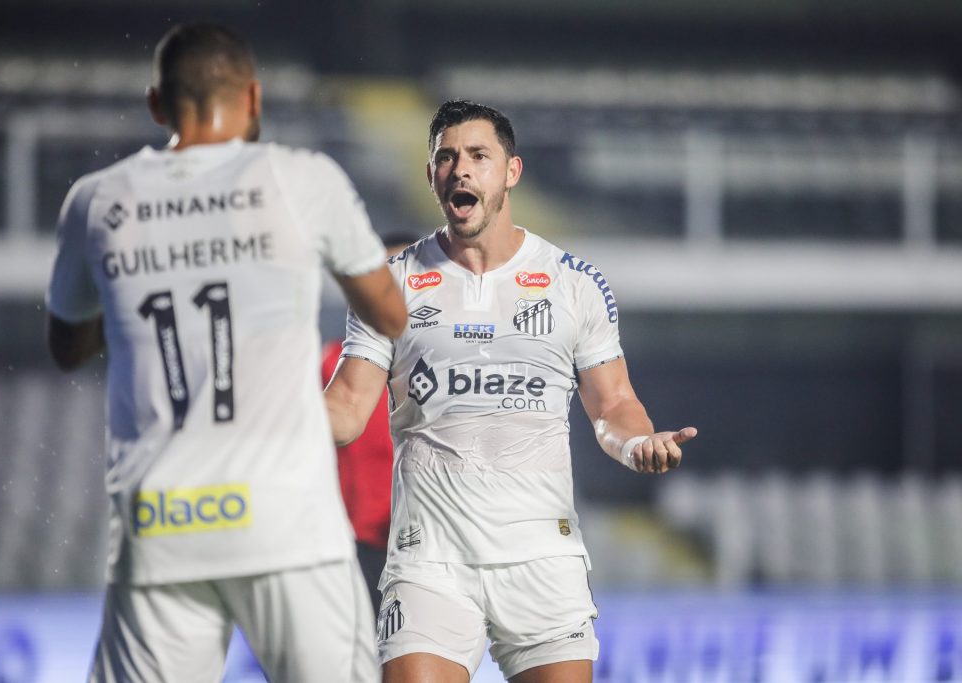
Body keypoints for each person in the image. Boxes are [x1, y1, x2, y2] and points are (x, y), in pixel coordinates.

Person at [45, 22, 406, 683]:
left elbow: (67, 346)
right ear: (255, 98)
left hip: (161, 521)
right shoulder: (302, 180)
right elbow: (389, 311)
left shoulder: (97, 201)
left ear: (157, 104)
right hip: (286, 518)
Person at [323, 99, 697, 683]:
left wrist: (638, 443)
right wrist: (261, 414)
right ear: (430, 177)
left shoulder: (572, 283)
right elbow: (345, 409)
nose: (460, 169)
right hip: (431, 559)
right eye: (446, 158)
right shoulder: (390, 285)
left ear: (511, 172)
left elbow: (614, 404)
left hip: (542, 560)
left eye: (478, 155)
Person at [321, 233, 418, 619]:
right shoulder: (331, 366)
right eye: (381, 278)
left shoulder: (457, 367)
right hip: (348, 548)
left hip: (427, 546)